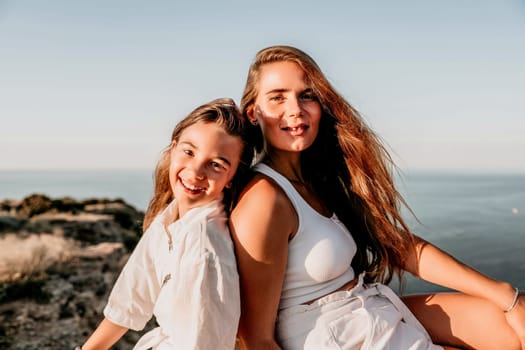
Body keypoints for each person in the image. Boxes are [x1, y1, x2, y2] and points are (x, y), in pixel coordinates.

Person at [229, 45, 525, 350]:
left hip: (370, 312)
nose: (295, 109)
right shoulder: (263, 199)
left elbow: (398, 245)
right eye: (277, 97)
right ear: (253, 112)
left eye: (307, 95)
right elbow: (256, 338)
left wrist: (506, 295)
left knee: (511, 321)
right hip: (340, 338)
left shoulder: (318, 180)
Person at [79, 98, 252, 350]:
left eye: (216, 164)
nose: (195, 172)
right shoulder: (169, 218)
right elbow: (131, 299)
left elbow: (202, 345)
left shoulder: (204, 247)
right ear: (173, 149)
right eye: (189, 152)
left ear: (231, 177)